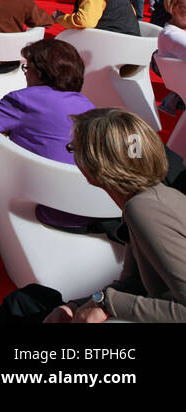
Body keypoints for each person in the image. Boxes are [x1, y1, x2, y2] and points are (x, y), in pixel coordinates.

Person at [44, 109, 186, 323]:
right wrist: (79, 305)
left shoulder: (143, 208)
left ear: (96, 162)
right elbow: (131, 285)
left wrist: (105, 303)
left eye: (73, 149)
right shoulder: (153, 197)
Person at [0, 38, 105, 231]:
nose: (25, 74)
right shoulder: (86, 104)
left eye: (27, 68)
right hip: (92, 207)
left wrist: (7, 126)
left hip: (46, 204)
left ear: (41, 72)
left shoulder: (25, 100)